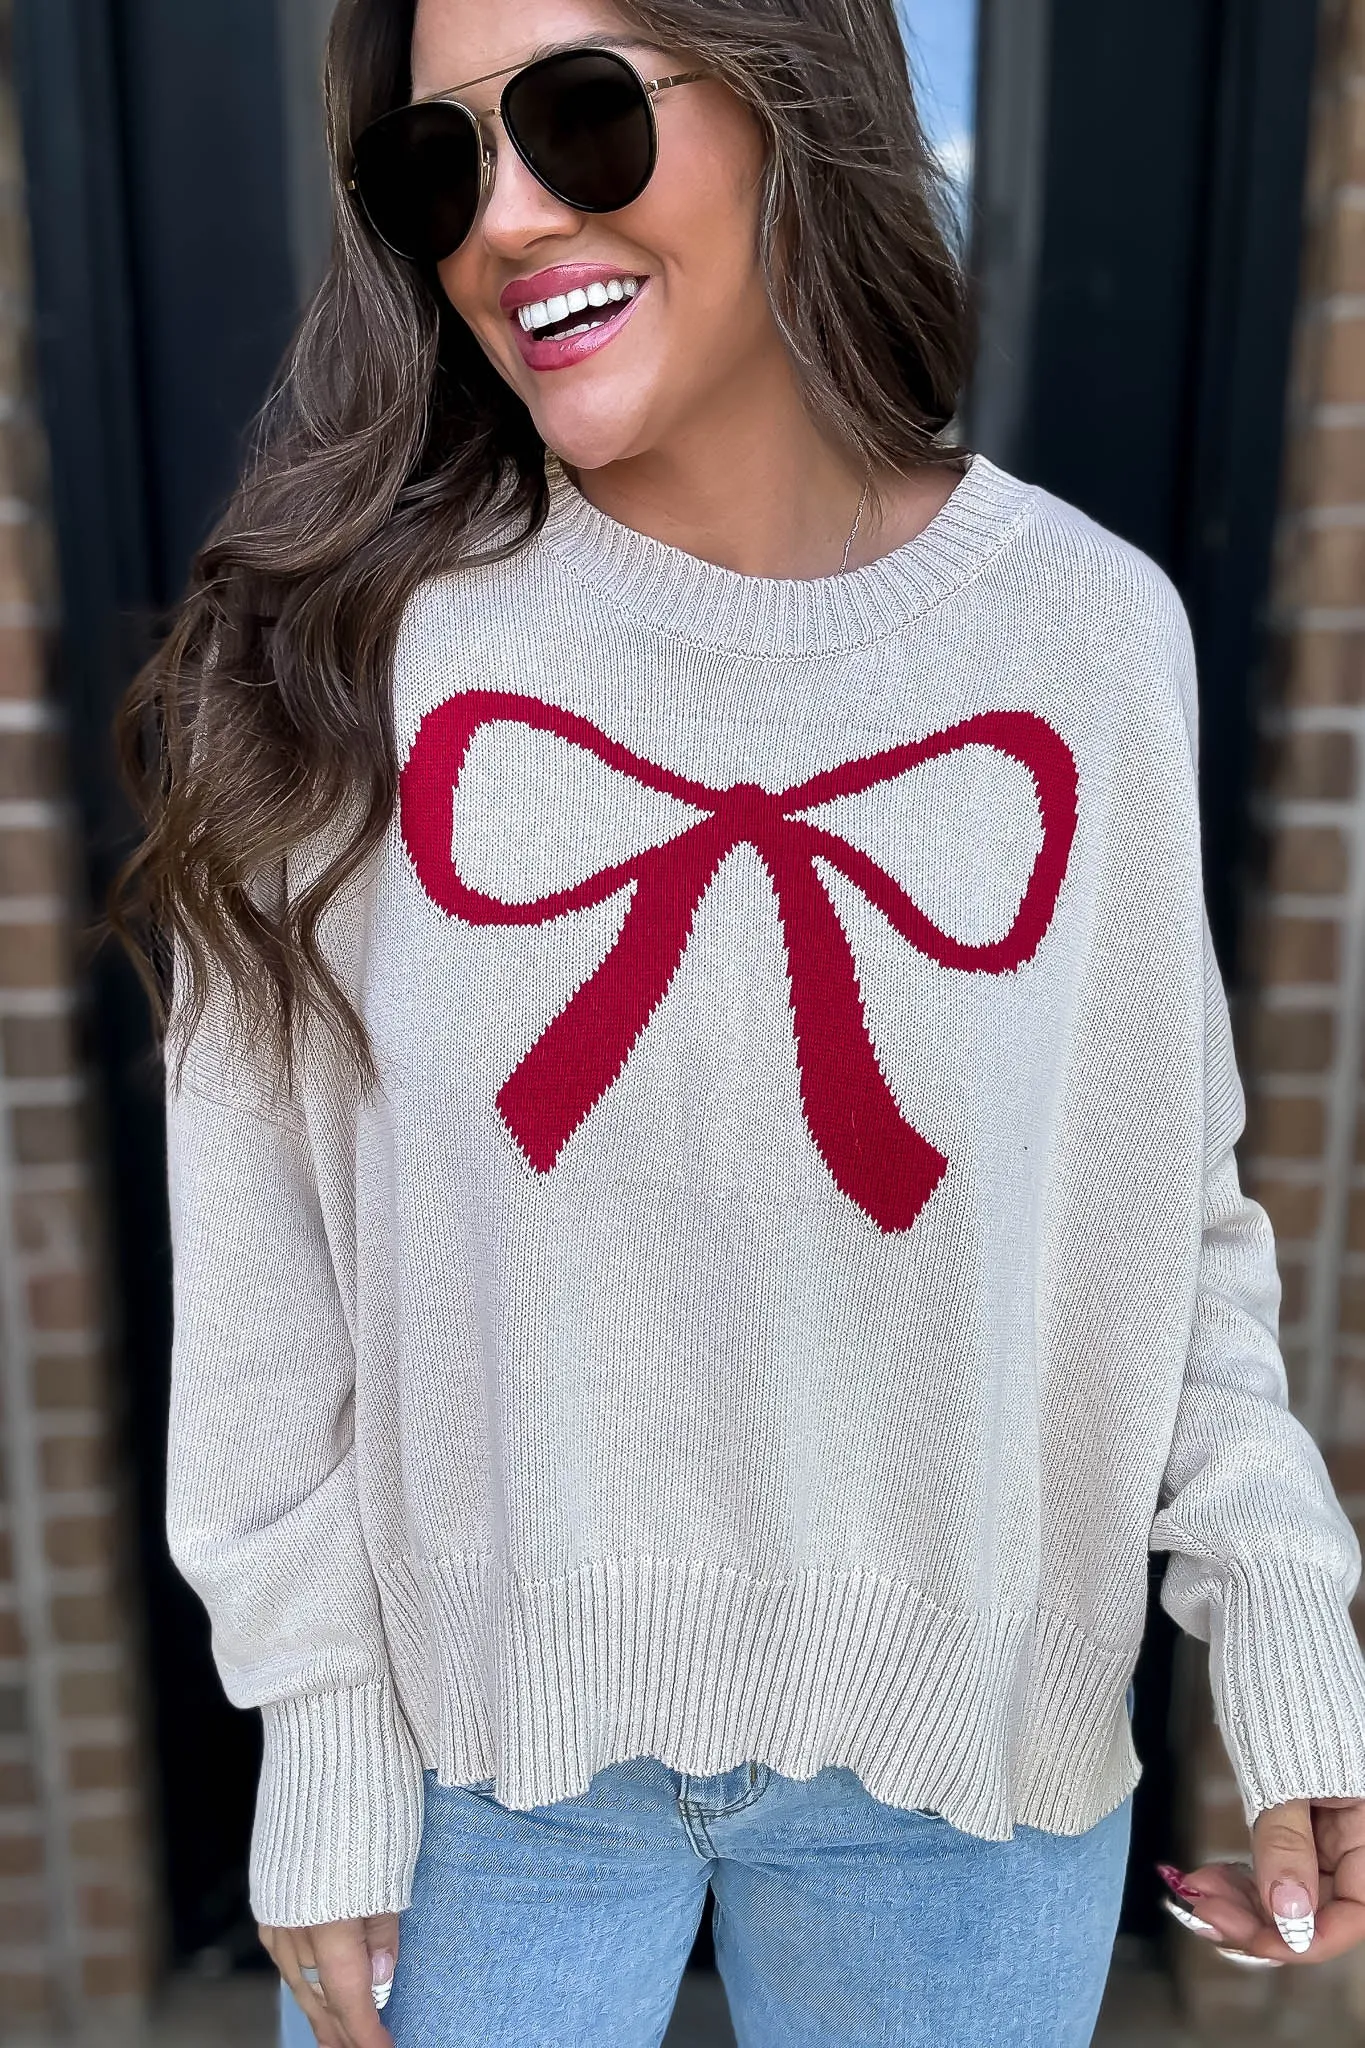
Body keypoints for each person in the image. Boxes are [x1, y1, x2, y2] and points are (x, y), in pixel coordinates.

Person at [115, 0, 1365, 2043]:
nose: (509, 213)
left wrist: (1281, 1620)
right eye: (439, 168)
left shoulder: (1085, 638)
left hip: (965, 1770)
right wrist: (319, 1730)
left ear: (796, 110)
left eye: (582, 120)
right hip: (475, 1777)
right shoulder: (345, 651)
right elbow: (268, 1264)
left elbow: (1158, 1218)